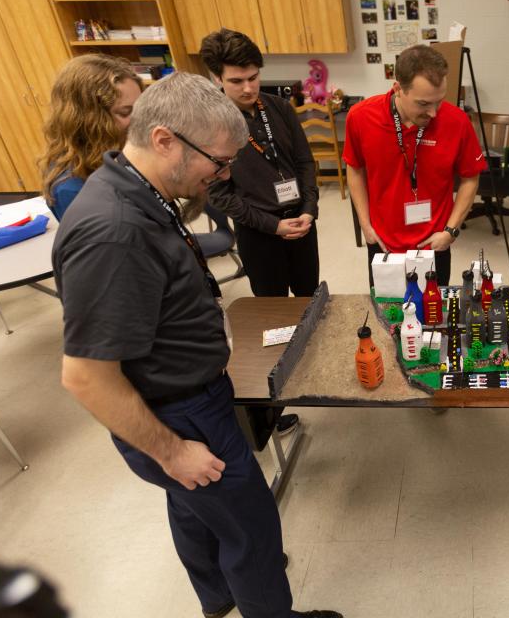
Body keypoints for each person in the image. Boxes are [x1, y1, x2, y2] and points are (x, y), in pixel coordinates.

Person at [52, 72, 341, 618]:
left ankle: (218, 598)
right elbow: (86, 376)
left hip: (185, 396)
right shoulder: (116, 231)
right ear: (164, 140)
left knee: (193, 507)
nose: (223, 174)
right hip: (178, 415)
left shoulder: (137, 191)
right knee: (251, 530)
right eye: (218, 160)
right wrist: (171, 450)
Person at [201, 28, 318, 436]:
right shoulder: (210, 125)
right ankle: (278, 399)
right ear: (217, 78)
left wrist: (308, 210)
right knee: (272, 314)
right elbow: (220, 195)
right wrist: (273, 224)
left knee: (307, 302)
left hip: (300, 224)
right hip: (259, 233)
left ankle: (313, 372)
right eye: (237, 80)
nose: (249, 87)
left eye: (254, 76)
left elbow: (305, 163)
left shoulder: (278, 107)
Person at [344, 44, 486, 288]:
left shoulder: (457, 122)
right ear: (398, 89)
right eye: (423, 104)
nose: (433, 112)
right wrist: (365, 226)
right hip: (383, 243)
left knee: (433, 317)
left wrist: (450, 232)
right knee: (388, 316)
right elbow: (355, 168)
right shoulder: (360, 117)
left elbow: (470, 178)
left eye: (439, 101)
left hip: (435, 244)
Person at [39, 54, 143, 220]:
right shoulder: (71, 188)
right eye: (125, 112)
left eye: (140, 109)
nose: (140, 120)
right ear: (89, 120)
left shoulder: (117, 152)